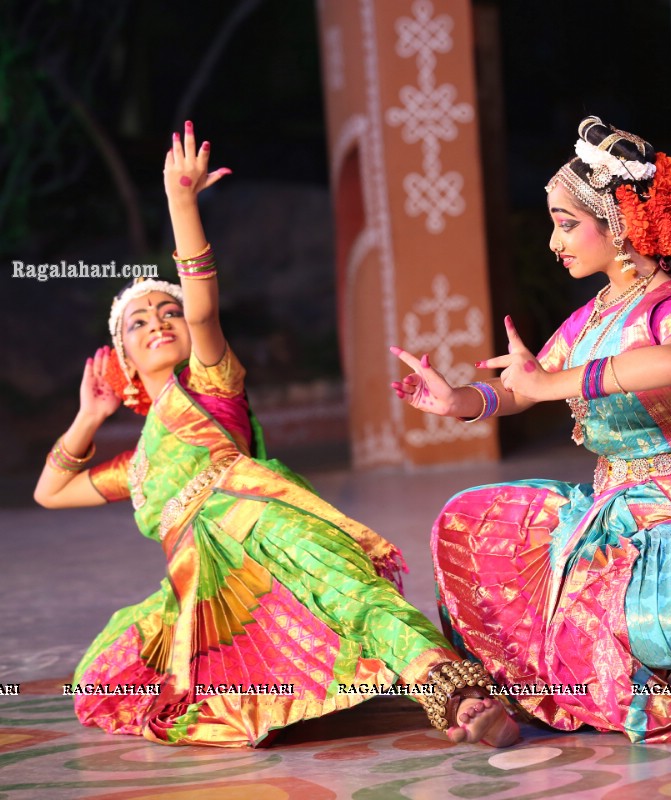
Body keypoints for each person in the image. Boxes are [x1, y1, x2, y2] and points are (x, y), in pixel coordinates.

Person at [32, 123, 517, 749]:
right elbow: (51, 492)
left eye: (167, 311)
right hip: (208, 581)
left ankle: (457, 695)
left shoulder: (209, 387)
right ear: (122, 359)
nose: (159, 321)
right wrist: (89, 417)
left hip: (266, 528)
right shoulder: (140, 464)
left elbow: (205, 307)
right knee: (103, 673)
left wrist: (182, 203)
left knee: (350, 595)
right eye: (137, 322)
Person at [392, 117, 671, 743]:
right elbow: (522, 384)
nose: (554, 242)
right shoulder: (590, 318)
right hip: (611, 500)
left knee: (656, 614)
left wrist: (554, 384)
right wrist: (461, 400)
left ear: (616, 226)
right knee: (467, 523)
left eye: (567, 224)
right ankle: (595, 683)